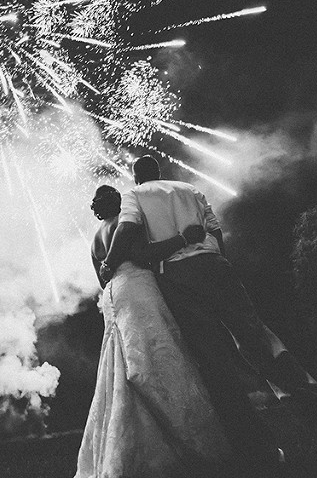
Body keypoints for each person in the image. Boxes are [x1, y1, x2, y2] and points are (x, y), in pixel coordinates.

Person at [101, 155, 317, 474]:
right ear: (160, 172)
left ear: (136, 177)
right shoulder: (190, 189)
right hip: (216, 266)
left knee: (214, 362)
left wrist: (109, 263)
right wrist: (218, 261)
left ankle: (258, 450)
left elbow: (126, 228)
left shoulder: (135, 195)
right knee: (260, 342)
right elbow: (216, 232)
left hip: (178, 277)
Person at [75, 185, 232, 478]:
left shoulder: (95, 240)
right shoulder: (125, 225)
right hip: (138, 288)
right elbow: (142, 256)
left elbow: (103, 280)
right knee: (155, 352)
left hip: (113, 295)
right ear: (117, 202)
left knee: (120, 360)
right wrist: (183, 239)